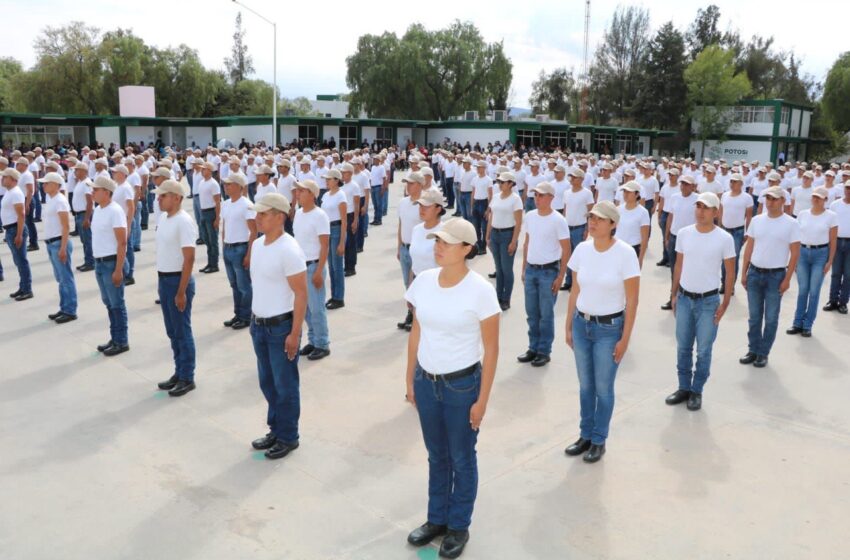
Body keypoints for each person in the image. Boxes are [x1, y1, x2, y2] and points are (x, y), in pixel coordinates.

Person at [404, 217, 500, 559]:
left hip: (462, 387)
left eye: (446, 242)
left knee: (461, 457)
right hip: (426, 382)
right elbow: (417, 331)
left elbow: (491, 350)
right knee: (437, 455)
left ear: (467, 249)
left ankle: (458, 525)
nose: (438, 246)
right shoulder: (424, 281)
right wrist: (410, 379)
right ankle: (437, 519)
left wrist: (483, 400)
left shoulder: (481, 291)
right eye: (437, 240)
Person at [564, 201, 639, 463]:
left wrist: (625, 339)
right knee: (586, 386)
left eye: (599, 219)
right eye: (591, 217)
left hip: (609, 329)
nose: (592, 222)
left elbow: (632, 300)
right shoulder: (583, 249)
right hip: (581, 325)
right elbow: (575, 289)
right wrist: (568, 325)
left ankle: (599, 439)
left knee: (603, 388)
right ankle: (585, 435)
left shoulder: (626, 254)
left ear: (613, 224)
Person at [248, 193, 308, 460]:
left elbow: (301, 294)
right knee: (267, 383)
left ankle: (288, 436)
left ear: (280, 216)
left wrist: (295, 333)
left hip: (280, 327)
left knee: (285, 385)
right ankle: (276, 428)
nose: (257, 218)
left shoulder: (290, 249)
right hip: (259, 325)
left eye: (263, 214)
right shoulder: (258, 245)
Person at [665, 192, 735, 411]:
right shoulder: (685, 234)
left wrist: (725, 303)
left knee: (703, 350)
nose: (700, 211)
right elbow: (678, 265)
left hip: (708, 301)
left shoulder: (724, 238)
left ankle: (697, 390)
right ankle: (684, 386)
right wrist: (674, 294)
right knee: (683, 347)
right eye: (698, 207)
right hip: (685, 298)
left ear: (715, 212)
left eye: (706, 208)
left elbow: (730, 272)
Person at [739, 186, 801, 368]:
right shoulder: (757, 221)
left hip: (776, 275)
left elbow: (795, 253)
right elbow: (749, 248)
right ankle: (753, 349)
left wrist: (787, 278)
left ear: (783, 201)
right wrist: (744, 272)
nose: (770, 202)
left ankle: (763, 353)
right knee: (754, 316)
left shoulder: (791, 223)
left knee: (771, 317)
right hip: (755, 273)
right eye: (768, 198)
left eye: (774, 199)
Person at [151, 179, 198, 397]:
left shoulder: (184, 221)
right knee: (172, 331)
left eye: (163, 195)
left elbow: (189, 259)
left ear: (177, 198)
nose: (159, 199)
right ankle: (178, 371)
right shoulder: (163, 217)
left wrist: (181, 291)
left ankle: (187, 377)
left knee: (182, 330)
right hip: (164, 279)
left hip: (178, 281)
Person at [518, 182, 570, 368]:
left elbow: (566, 250)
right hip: (532, 270)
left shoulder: (558, 220)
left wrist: (561, 276)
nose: (537, 199)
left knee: (546, 315)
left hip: (549, 271)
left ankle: (543, 350)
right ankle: (533, 347)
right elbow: (527, 243)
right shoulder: (530, 216)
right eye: (535, 195)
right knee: (532, 313)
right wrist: (524, 268)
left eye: (541, 195)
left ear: (551, 198)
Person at [787, 187, 837, 336]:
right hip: (802, 253)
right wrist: (793, 259)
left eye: (819, 197)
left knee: (814, 292)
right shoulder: (802, 214)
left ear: (825, 200)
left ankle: (808, 325)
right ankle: (797, 323)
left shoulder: (831, 216)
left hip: (820, 255)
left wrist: (830, 262)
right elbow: (795, 238)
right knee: (803, 291)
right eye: (814, 196)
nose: (815, 199)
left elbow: (833, 241)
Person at [90, 175, 130, 356]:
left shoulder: (115, 211)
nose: (93, 193)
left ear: (106, 192)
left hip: (111, 262)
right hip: (99, 262)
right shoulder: (98, 209)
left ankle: (121, 341)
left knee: (117, 304)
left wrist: (119, 269)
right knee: (109, 304)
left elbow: (122, 243)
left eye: (95, 190)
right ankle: (114, 337)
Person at [293, 179, 331, 360]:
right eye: (297, 191)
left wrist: (319, 271)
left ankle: (322, 343)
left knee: (317, 308)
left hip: (314, 265)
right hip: (300, 267)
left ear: (312, 194)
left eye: (301, 191)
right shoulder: (299, 214)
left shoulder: (320, 215)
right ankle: (313, 340)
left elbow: (325, 245)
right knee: (306, 309)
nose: (297, 194)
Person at [39, 172, 78, 322]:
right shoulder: (52, 199)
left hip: (58, 243)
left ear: (55, 184)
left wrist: (62, 248)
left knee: (66, 278)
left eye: (46, 183)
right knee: (61, 278)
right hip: (51, 243)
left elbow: (66, 226)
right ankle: (64, 307)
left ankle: (70, 310)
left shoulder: (60, 201)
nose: (44, 185)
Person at [221, 172, 256, 330]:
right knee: (234, 284)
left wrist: (249, 253)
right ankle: (238, 313)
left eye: (229, 184)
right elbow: (224, 226)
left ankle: (246, 315)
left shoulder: (246, 204)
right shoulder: (226, 203)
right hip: (228, 247)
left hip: (240, 248)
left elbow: (254, 231)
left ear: (239, 186)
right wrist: (223, 244)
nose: (226, 186)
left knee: (244, 285)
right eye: (226, 184)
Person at [486, 172, 523, 310]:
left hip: (508, 235)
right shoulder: (495, 197)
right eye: (499, 182)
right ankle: (498, 296)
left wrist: (514, 241)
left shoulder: (515, 199)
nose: (500, 184)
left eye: (502, 182)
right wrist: (487, 235)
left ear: (510, 184)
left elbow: (518, 223)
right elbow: (491, 216)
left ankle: (506, 299)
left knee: (506, 269)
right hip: (495, 235)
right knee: (499, 268)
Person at [662, 176, 698, 310]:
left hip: (691, 239)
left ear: (693, 186)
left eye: (687, 184)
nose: (683, 186)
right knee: (674, 270)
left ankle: (687, 299)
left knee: (688, 269)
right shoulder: (675, 197)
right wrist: (666, 236)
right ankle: (673, 296)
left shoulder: (697, 199)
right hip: (674, 237)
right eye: (682, 184)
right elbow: (671, 217)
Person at [397, 172, 425, 330]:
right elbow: (401, 225)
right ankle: (410, 312)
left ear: (420, 185)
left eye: (411, 183)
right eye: (407, 183)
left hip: (418, 250)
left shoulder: (424, 204)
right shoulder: (403, 202)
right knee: (407, 284)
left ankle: (417, 316)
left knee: (417, 283)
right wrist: (399, 246)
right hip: (405, 248)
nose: (408, 186)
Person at [2, 168, 33, 300]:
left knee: (21, 260)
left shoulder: (15, 193)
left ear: (13, 179)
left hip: (15, 229)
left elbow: (21, 215)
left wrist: (19, 234)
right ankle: (22, 287)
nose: (2, 179)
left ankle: (27, 289)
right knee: (18, 261)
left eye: (5, 177)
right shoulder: (9, 192)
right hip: (10, 229)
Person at [561, 168, 595, 290]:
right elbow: (565, 210)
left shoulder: (587, 193)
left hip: (579, 228)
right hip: (567, 228)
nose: (572, 179)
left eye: (575, 177)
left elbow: (591, 211)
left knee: (578, 256)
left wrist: (587, 228)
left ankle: (577, 283)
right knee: (567, 255)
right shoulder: (566, 192)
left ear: (581, 179)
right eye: (571, 177)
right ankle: (568, 281)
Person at [719, 173, 754, 289]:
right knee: (724, 257)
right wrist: (719, 227)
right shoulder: (724, 195)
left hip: (737, 232)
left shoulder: (747, 198)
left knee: (733, 258)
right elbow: (721, 212)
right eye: (731, 181)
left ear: (741, 184)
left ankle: (730, 285)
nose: (732, 184)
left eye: (735, 182)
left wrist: (747, 232)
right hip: (724, 230)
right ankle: (724, 282)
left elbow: (749, 217)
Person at [320, 168, 348, 309]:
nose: (326, 181)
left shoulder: (341, 196)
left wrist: (342, 242)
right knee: (330, 265)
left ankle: (339, 297)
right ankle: (334, 295)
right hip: (327, 230)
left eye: (329, 179)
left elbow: (344, 220)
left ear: (336, 180)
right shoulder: (325, 195)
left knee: (337, 266)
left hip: (336, 229)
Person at [824, 180, 850, 314]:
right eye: (847, 187)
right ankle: (833, 300)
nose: (849, 190)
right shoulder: (835, 205)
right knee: (835, 273)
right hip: (837, 242)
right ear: (844, 189)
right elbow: (829, 224)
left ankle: (843, 302)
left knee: (848, 274)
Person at [614, 181, 650, 266]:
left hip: (633, 249)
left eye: (629, 192)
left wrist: (640, 259)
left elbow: (644, 238)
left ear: (637, 194)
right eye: (624, 191)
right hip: (617, 247)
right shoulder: (618, 209)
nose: (625, 194)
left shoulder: (643, 212)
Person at [197, 162, 222, 273]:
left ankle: (214, 264)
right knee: (207, 239)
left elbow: (217, 202)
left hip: (211, 212)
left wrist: (217, 218)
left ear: (210, 171)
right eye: (202, 169)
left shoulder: (214, 184)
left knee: (213, 240)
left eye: (205, 169)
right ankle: (209, 263)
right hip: (203, 212)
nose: (202, 171)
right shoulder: (202, 182)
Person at [70, 163, 95, 272]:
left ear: (84, 171)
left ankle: (90, 262)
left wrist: (87, 218)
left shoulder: (87, 183)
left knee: (87, 239)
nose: (75, 172)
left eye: (77, 170)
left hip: (84, 214)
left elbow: (90, 202)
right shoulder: (80, 182)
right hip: (79, 214)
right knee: (84, 240)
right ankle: (87, 260)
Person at [340, 162, 361, 277]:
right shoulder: (341, 185)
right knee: (344, 242)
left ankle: (351, 267)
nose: (342, 175)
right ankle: (346, 265)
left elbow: (356, 204)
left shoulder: (354, 186)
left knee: (351, 243)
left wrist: (355, 220)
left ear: (350, 173)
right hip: (342, 216)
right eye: (342, 172)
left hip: (351, 215)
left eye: (344, 173)